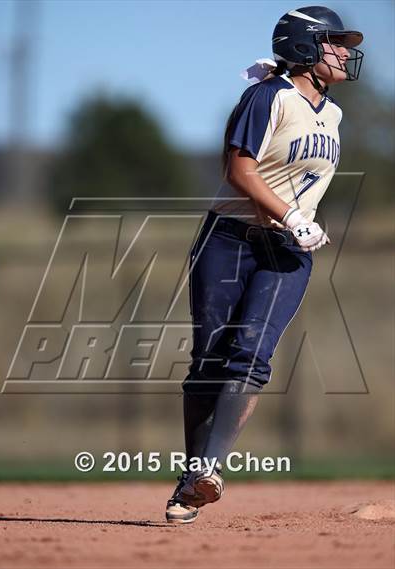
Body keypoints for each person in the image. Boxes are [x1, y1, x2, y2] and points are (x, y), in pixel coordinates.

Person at [165, 5, 364, 524]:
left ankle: (203, 474)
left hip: (287, 251)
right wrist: (292, 213)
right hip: (229, 239)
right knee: (209, 361)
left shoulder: (334, 113)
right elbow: (237, 169)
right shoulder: (268, 96)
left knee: (252, 355)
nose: (345, 50)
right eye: (334, 41)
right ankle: (193, 477)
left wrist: (300, 221)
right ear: (303, 46)